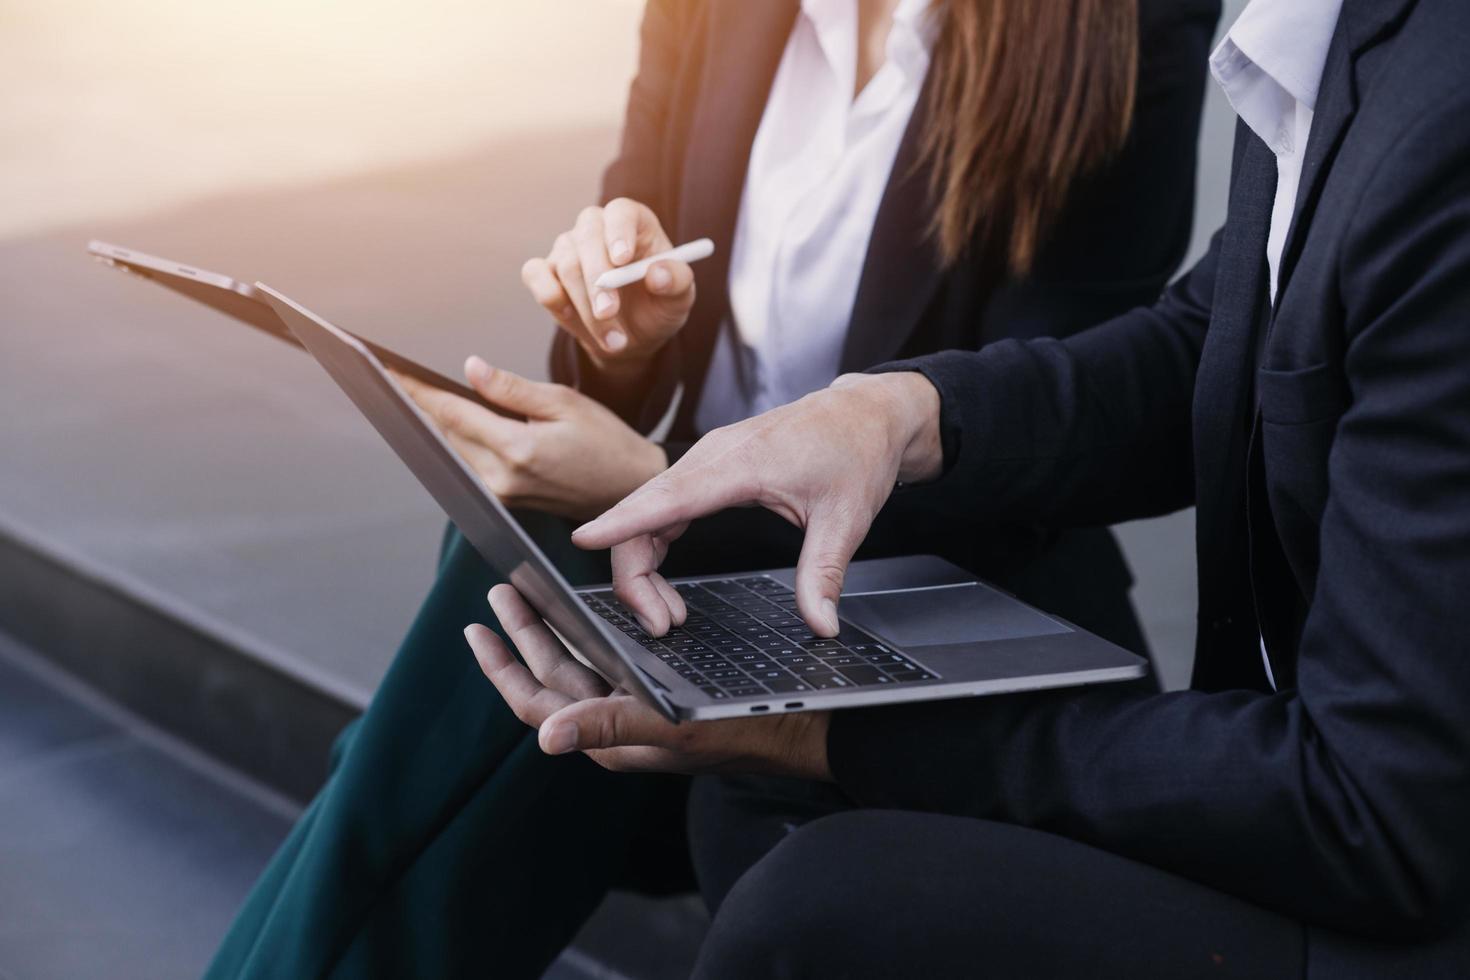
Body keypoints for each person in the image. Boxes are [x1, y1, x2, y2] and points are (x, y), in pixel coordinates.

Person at [205, 0, 1220, 976]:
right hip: (704, 593)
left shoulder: (1118, 21)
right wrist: (620, 330)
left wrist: (666, 482)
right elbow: (617, 329)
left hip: (937, 600)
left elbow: (1048, 437)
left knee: (507, 632)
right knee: (484, 660)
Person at [470, 0, 1470, 974]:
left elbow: (1376, 806)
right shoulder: (1322, 29)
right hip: (1302, 769)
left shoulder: (1429, 110)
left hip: (1376, 856)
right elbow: (1217, 335)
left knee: (815, 900)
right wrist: (901, 414)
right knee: (545, 574)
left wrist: (826, 732)